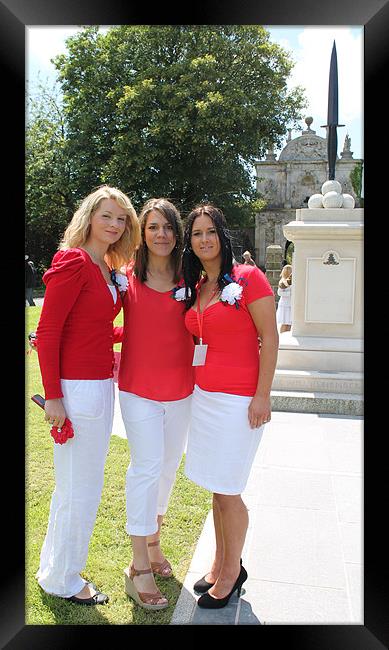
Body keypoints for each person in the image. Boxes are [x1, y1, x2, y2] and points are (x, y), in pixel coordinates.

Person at [34, 185, 141, 605]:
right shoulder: (74, 261)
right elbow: (48, 333)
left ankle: (55, 569)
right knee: (81, 488)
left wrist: (142, 334)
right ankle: (65, 580)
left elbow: (94, 329)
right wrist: (54, 397)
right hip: (78, 391)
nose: (114, 225)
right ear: (89, 218)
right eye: (107, 216)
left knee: (74, 485)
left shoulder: (104, 266)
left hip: (99, 386)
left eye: (121, 219)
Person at [181, 204, 279, 609]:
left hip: (239, 401)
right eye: (196, 233)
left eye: (210, 231)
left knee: (229, 491)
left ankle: (231, 572)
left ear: (223, 234)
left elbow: (270, 338)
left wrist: (262, 395)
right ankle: (222, 562)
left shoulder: (249, 278)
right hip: (204, 399)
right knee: (216, 490)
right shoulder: (199, 284)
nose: (204, 239)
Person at [117, 198, 194, 610]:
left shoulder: (191, 278)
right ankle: (138, 566)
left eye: (168, 227)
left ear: (176, 233)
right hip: (137, 390)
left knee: (167, 467)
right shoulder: (126, 278)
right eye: (153, 227)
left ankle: (154, 540)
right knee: (145, 467)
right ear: (142, 234)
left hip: (181, 389)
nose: (161, 234)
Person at [276, 263, 292, 333]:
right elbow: (279, 293)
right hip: (285, 305)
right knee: (284, 323)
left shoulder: (292, 281)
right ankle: (282, 338)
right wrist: (290, 293)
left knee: (289, 324)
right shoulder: (282, 281)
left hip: (291, 305)